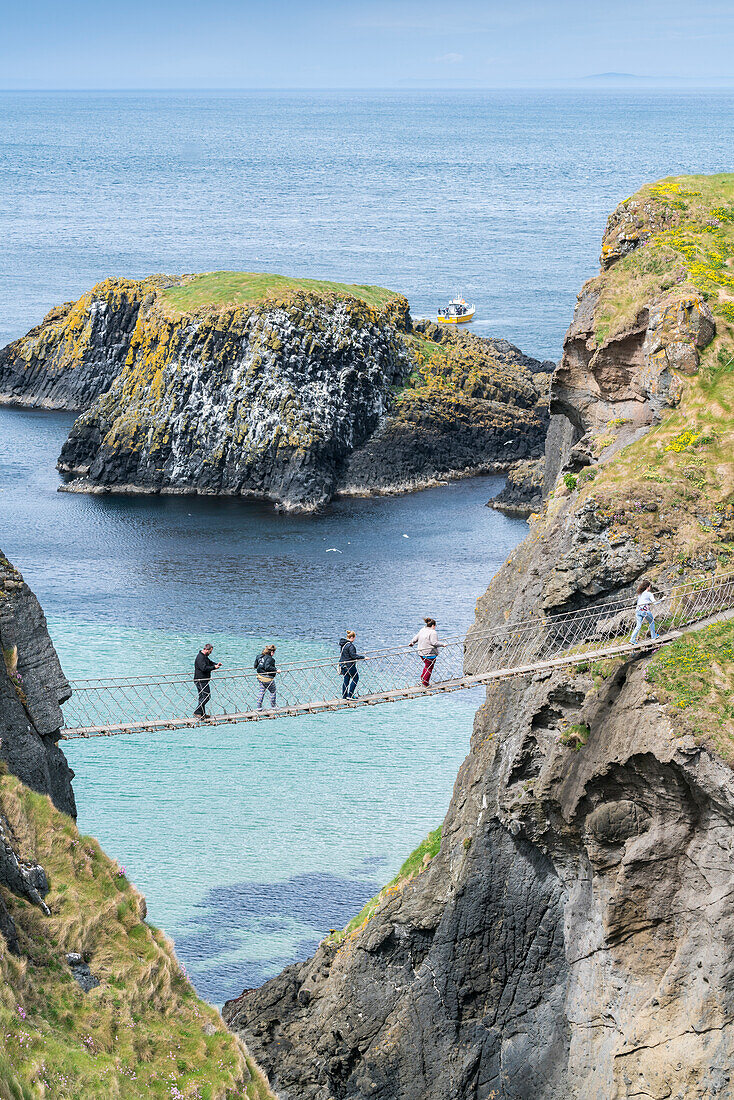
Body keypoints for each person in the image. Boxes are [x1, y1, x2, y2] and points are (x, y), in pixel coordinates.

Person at [408, 617, 445, 686]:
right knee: (429, 668)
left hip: (421, 653)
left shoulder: (422, 629)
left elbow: (416, 637)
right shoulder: (433, 632)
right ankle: (425, 683)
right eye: (435, 626)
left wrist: (412, 643)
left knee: (427, 666)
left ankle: (423, 678)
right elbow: (434, 643)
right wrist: (443, 644)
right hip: (430, 653)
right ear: (433, 625)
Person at [194, 643, 221, 719]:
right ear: (206, 650)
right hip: (200, 680)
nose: (210, 653)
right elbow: (204, 668)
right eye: (210, 651)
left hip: (203, 680)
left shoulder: (204, 657)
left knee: (202, 696)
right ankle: (197, 712)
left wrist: (216, 664)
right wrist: (214, 667)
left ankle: (202, 713)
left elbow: (209, 662)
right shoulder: (200, 657)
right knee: (207, 696)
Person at [339, 631, 364, 699]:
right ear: (352, 637)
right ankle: (350, 695)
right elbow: (353, 656)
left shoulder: (343, 645)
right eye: (354, 638)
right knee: (355, 678)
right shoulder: (350, 646)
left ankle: (344, 696)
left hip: (343, 665)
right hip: (349, 666)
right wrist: (363, 657)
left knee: (346, 680)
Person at [255, 645, 278, 710]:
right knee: (273, 691)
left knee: (262, 691)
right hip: (268, 679)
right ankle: (273, 707)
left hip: (260, 677)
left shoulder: (260, 657)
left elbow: (255, 666)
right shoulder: (271, 659)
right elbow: (267, 667)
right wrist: (276, 670)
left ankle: (258, 707)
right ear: (272, 652)